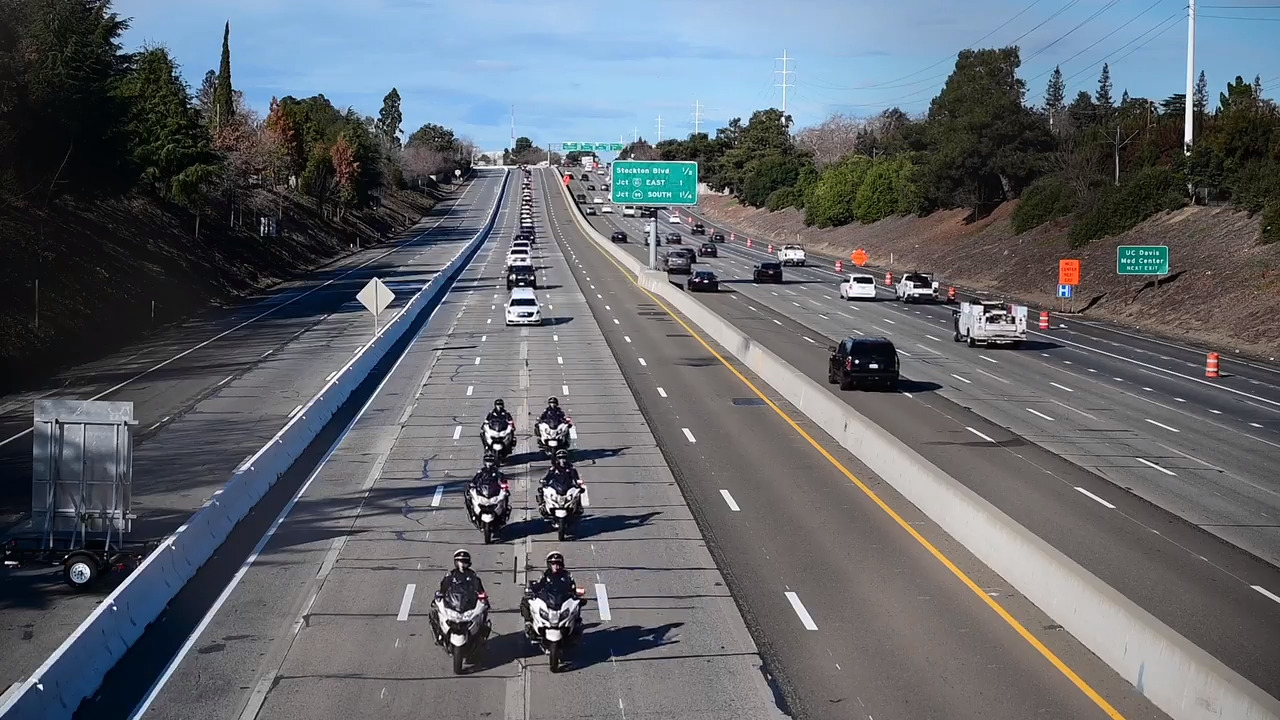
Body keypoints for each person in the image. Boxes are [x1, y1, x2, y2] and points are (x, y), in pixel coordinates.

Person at [430, 549, 488, 645]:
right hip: (454, 604)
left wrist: (483, 599)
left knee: (483, 619)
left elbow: (480, 590)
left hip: (468, 605)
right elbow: (443, 589)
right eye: (459, 561)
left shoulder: (473, 576)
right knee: (436, 614)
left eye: (464, 561)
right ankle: (439, 635)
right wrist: (439, 596)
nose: (462, 564)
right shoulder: (450, 575)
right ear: (455, 562)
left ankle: (480, 637)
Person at [520, 551, 578, 638]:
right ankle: (528, 623)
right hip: (549, 600)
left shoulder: (567, 575)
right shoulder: (545, 575)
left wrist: (575, 594)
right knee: (525, 601)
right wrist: (532, 590)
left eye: (558, 563)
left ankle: (576, 625)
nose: (556, 566)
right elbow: (538, 585)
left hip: (562, 600)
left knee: (577, 605)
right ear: (549, 564)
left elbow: (572, 587)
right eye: (553, 563)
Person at [466, 454, 510, 526]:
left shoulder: (498, 473)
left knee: (505, 496)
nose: (489, 463)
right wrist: (471, 486)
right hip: (483, 492)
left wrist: (504, 488)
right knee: (468, 496)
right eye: (487, 461)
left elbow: (503, 481)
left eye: (491, 461)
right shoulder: (481, 472)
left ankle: (504, 514)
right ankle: (472, 514)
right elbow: (474, 481)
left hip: (493, 493)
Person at [537, 450, 582, 515]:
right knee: (541, 490)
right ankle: (542, 506)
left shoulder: (571, 468)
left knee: (578, 492)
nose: (562, 460)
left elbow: (575, 477)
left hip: (568, 486)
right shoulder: (554, 468)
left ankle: (579, 506)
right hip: (555, 486)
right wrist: (544, 481)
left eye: (564, 458)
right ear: (557, 459)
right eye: (560, 458)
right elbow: (548, 476)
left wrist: (578, 483)